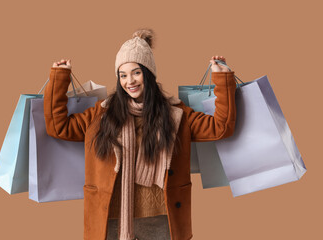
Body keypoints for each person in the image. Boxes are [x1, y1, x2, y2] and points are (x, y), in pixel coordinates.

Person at [44, 28, 236, 240]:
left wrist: (222, 78)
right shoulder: (102, 115)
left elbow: (221, 127)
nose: (130, 81)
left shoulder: (176, 115)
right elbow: (58, 126)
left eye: (136, 72)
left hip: (162, 219)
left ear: (149, 74)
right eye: (123, 75)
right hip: (111, 218)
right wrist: (60, 78)